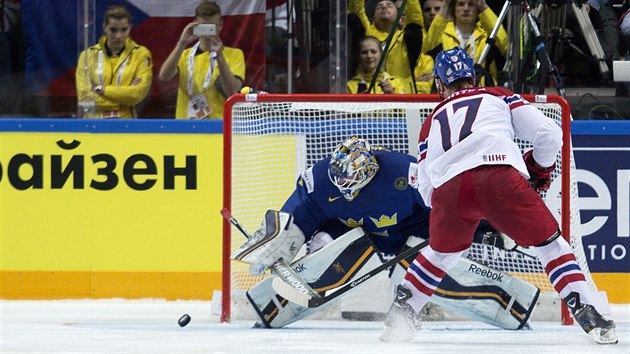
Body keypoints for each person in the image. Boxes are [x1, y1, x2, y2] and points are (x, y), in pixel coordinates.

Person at [380, 47, 618, 345]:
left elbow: (427, 189)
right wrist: (539, 169)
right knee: (550, 246)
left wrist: (454, 213)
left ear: (440, 84)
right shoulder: (497, 95)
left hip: (448, 192)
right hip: (498, 178)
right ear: (473, 75)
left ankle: (400, 317)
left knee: (441, 254)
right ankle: (586, 311)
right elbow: (550, 135)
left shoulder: (430, 122)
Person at [233, 137, 540, 330]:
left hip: (408, 230)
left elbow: (450, 204)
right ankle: (276, 306)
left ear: (370, 174)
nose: (346, 193)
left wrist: (488, 229)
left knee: (427, 260)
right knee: (323, 243)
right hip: (352, 231)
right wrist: (281, 243)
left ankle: (495, 300)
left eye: (352, 187)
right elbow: (303, 211)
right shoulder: (322, 176)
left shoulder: (405, 174)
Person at [158, 0, 244, 119]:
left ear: (221, 25)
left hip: (219, 126)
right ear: (194, 25)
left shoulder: (235, 54)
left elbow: (233, 92)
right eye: (203, 26)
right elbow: (164, 76)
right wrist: (181, 43)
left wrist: (220, 57)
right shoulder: (183, 55)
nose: (207, 32)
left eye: (212, 27)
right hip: (186, 126)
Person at [75, 5, 152, 119]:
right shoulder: (87, 55)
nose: (118, 36)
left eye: (124, 30)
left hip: (125, 126)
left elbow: (137, 94)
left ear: (130, 28)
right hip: (92, 126)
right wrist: (123, 100)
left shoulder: (141, 54)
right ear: (104, 27)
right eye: (113, 30)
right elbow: (84, 98)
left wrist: (100, 89)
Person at [422, 0, 507, 86]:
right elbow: (427, 46)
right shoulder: (442, 35)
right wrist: (445, 5)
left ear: (477, 10)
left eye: (471, 4)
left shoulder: (486, 36)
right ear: (454, 10)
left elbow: (504, 45)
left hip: (482, 94)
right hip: (451, 93)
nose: (466, 8)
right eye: (461, 4)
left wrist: (483, 6)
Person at [349, 0, 425, 93]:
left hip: (404, 96)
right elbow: (357, 11)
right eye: (379, 7)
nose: (384, 7)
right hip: (370, 93)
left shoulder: (406, 38)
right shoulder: (367, 34)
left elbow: (415, 20)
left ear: (399, 17)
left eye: (389, 6)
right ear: (373, 18)